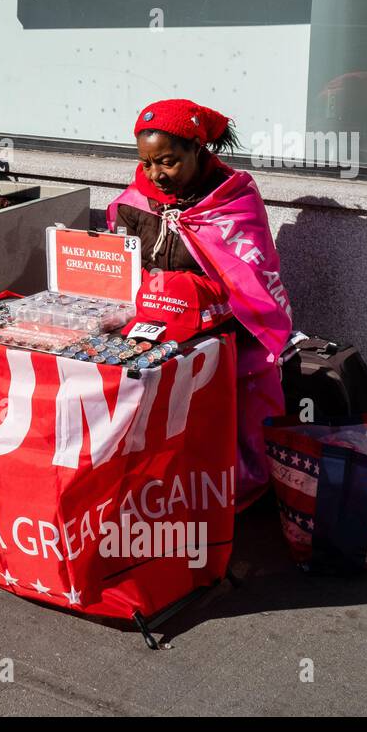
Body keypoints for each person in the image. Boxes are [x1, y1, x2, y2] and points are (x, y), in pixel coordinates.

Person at [107, 99, 293, 510]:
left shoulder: (231, 200)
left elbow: (249, 276)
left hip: (216, 329)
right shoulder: (137, 201)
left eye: (169, 162)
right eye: (148, 162)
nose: (157, 174)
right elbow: (123, 262)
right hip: (152, 323)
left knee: (214, 419)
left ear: (197, 149)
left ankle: (221, 494)